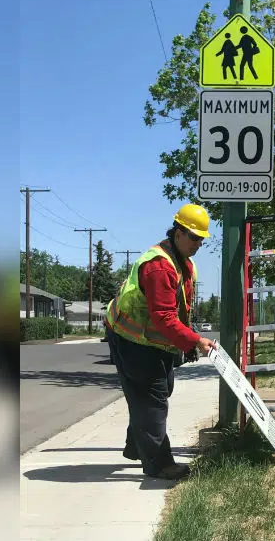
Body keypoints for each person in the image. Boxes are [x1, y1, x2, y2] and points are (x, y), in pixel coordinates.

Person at [104, 204, 216, 479]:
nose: (198, 243)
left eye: (201, 238)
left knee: (161, 388)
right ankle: (158, 463)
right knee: (151, 399)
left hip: (150, 341)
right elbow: (164, 318)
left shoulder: (182, 264)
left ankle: (136, 446)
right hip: (132, 340)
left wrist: (185, 343)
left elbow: (180, 309)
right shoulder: (159, 267)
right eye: (193, 237)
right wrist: (194, 341)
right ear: (178, 233)